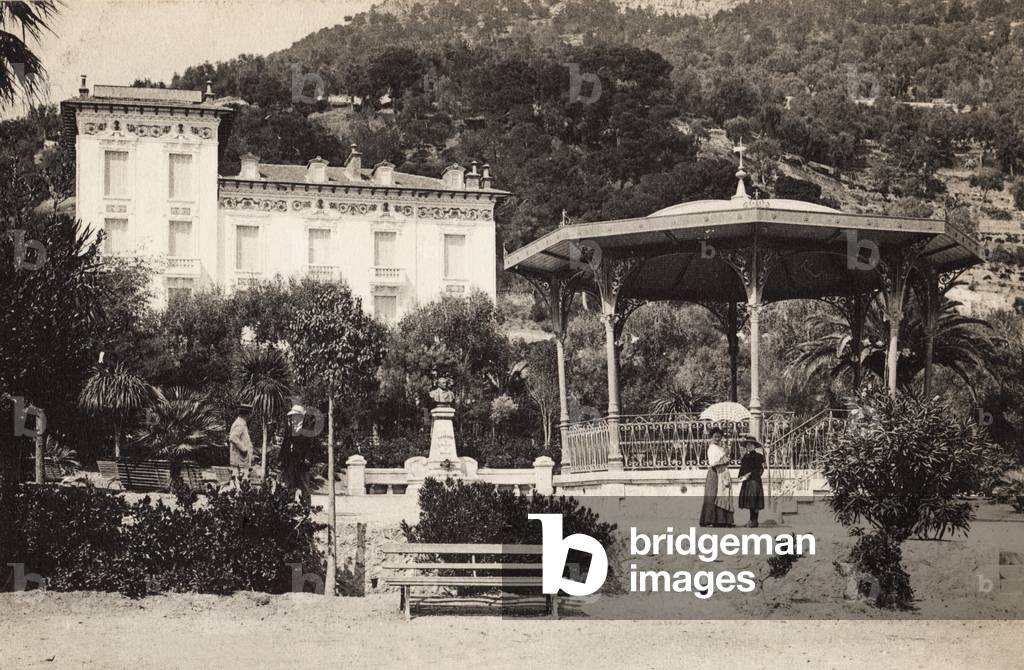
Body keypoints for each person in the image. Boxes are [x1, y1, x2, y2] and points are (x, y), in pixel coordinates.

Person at [279, 402, 315, 503]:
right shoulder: (290, 429)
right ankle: (290, 506)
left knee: (304, 485)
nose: (293, 418)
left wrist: (308, 458)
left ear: (301, 416)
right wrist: (281, 459)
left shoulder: (307, 429)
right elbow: (285, 444)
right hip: (291, 460)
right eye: (292, 416)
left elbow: (311, 446)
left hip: (302, 461)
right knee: (290, 484)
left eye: (295, 416)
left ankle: (306, 507)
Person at [699, 426, 734, 527]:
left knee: (723, 495)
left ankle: (722, 520)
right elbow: (713, 462)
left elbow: (725, 461)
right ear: (711, 437)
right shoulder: (711, 448)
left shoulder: (721, 447)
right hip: (714, 473)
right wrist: (724, 455)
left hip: (722, 472)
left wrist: (726, 455)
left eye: (719, 437)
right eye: (715, 437)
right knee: (713, 495)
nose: (717, 439)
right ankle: (710, 520)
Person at [738, 434, 766, 528]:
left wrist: (749, 474)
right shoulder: (745, 456)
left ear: (754, 446)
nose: (749, 446)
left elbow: (760, 469)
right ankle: (751, 520)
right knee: (750, 501)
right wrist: (741, 476)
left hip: (754, 481)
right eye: (747, 445)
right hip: (747, 481)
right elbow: (743, 468)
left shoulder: (758, 456)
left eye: (751, 444)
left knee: (754, 501)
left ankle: (755, 521)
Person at [228, 403, 254, 482]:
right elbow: (233, 437)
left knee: (241, 482)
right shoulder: (240, 424)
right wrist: (244, 449)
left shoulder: (241, 423)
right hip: (240, 461)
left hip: (241, 461)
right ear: (248, 414)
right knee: (240, 482)